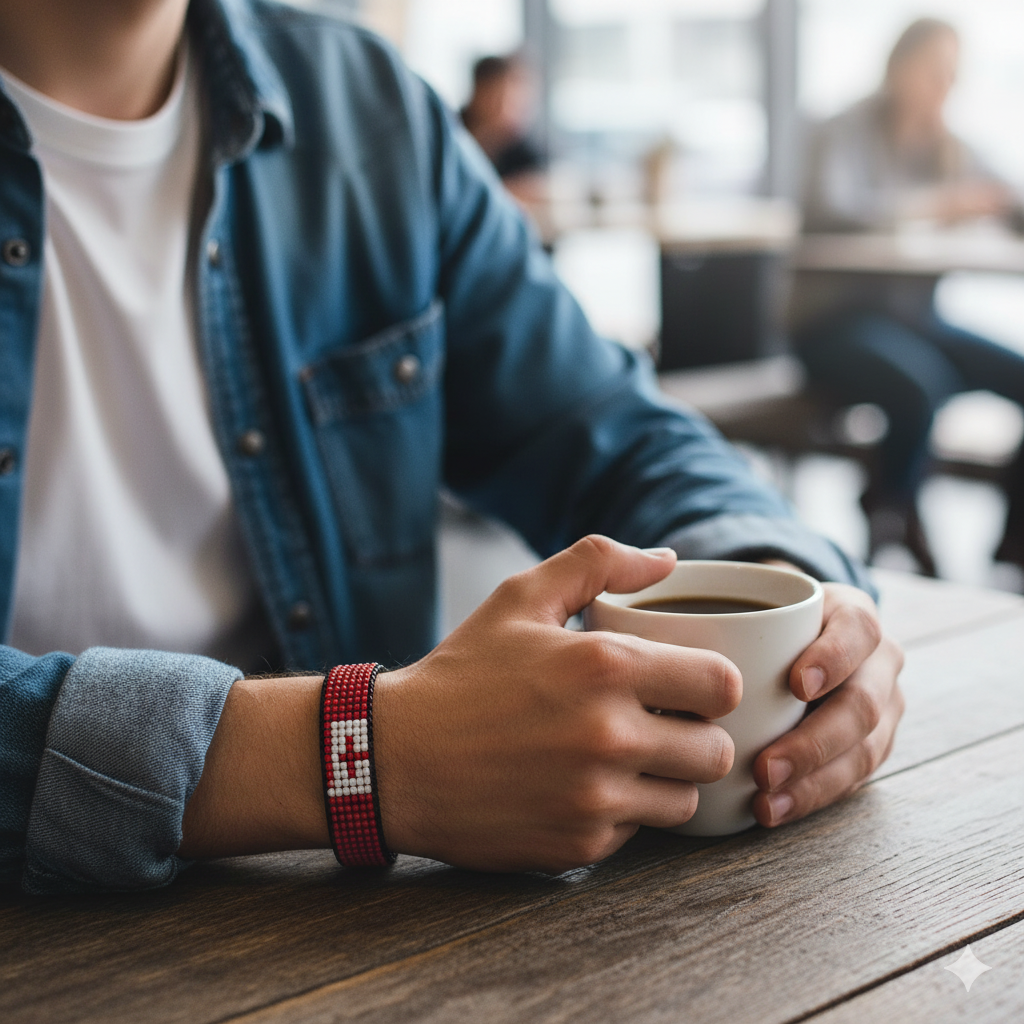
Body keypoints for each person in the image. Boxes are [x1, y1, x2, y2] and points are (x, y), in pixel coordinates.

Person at [0, 0, 903, 895]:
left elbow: (605, 427)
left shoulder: (366, 108)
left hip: (361, 923)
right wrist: (360, 754)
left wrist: (788, 597)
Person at [794, 17, 1024, 574]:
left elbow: (1007, 199)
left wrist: (995, 204)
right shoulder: (842, 130)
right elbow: (832, 210)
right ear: (898, 67)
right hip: (834, 320)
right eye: (934, 71)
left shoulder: (949, 146)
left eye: (953, 75)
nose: (944, 86)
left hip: (916, 319)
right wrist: (936, 205)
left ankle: (1014, 539)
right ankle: (892, 516)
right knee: (922, 385)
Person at [460, 53, 548, 206]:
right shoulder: (451, 133)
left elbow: (537, 187)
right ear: (478, 91)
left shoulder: (522, 149)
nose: (508, 107)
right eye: (498, 96)